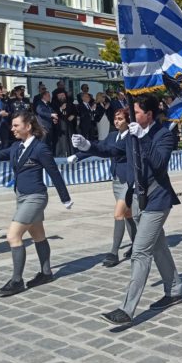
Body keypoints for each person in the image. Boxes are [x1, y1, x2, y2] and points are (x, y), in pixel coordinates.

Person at [72, 94, 182, 325]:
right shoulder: (132, 132)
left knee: (141, 251)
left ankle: (127, 309)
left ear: (149, 115)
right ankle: (174, 290)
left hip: (157, 198)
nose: (133, 116)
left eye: (137, 113)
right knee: (159, 247)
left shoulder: (163, 134)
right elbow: (111, 149)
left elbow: (160, 164)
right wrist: (88, 146)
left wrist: (143, 138)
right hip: (138, 198)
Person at [0, 111, 73, 295]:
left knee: (13, 236)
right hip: (22, 197)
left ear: (28, 127)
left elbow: (54, 173)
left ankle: (17, 281)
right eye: (12, 125)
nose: (12, 129)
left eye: (16, 125)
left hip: (35, 197)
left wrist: (65, 197)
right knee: (38, 235)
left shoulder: (40, 149)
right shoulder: (16, 147)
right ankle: (46, 273)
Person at [69, 108, 137, 267]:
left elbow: (111, 151)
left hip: (128, 180)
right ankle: (136, 245)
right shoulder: (113, 135)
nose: (117, 121)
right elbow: (99, 146)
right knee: (128, 215)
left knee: (118, 213)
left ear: (127, 120)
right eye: (115, 118)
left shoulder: (131, 137)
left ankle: (113, 252)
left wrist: (86, 145)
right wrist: (79, 155)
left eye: (120, 118)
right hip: (116, 180)